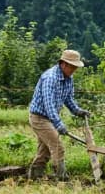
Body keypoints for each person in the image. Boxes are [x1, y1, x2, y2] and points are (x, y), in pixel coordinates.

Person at [28, 49, 90, 180]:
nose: (74, 70)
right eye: (72, 67)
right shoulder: (50, 78)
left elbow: (68, 99)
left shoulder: (68, 78)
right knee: (58, 146)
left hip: (49, 118)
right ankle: (61, 178)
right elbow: (49, 104)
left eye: (75, 67)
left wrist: (78, 111)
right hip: (39, 118)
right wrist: (59, 124)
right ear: (63, 64)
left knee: (44, 152)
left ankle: (34, 177)